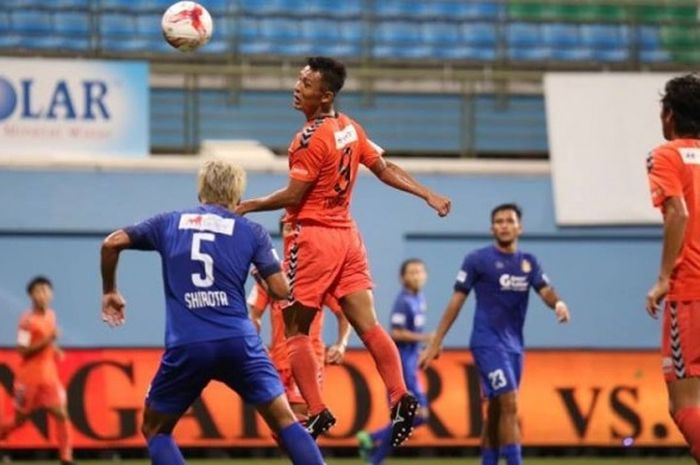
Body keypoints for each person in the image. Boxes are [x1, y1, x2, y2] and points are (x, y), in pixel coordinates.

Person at [235, 56, 451, 446]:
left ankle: (317, 410)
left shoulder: (306, 139)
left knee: (296, 329)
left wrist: (248, 205)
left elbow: (294, 195)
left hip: (313, 236)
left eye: (305, 83)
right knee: (368, 325)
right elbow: (383, 168)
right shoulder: (350, 128)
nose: (297, 87)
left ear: (325, 95)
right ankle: (400, 396)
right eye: (298, 79)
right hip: (349, 236)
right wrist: (426, 193)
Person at [99, 160, 325, 465]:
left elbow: (111, 243)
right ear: (237, 195)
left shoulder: (169, 222)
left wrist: (110, 290)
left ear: (201, 190)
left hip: (189, 344)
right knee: (285, 421)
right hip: (238, 342)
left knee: (156, 429)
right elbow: (281, 291)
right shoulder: (252, 231)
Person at [419, 204, 571, 465]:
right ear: (492, 228)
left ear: (519, 227)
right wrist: (437, 340)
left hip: (514, 347)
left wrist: (558, 304)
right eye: (499, 221)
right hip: (487, 343)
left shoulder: (529, 263)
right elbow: (457, 301)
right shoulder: (478, 260)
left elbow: (545, 290)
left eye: (509, 221)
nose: (504, 225)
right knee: (510, 403)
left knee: (498, 410)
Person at [248, 217, 352, 422]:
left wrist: (342, 344)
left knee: (302, 418)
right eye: (289, 228)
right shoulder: (271, 274)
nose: (294, 232)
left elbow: (344, 312)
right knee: (281, 426)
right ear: (283, 233)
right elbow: (254, 315)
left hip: (307, 358)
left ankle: (308, 452)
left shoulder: (318, 272)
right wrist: (254, 344)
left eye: (298, 228)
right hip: (277, 361)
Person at [645, 74, 700, 464]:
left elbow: (677, 212)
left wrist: (664, 278)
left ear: (668, 115)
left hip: (690, 290)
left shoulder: (666, 155)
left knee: (683, 403)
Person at [357, 259, 432, 465]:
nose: (417, 276)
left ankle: (372, 444)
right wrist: (425, 338)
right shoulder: (403, 301)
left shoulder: (420, 299)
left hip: (412, 364)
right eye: (412, 272)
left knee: (417, 416)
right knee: (416, 415)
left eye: (420, 271)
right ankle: (373, 452)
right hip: (403, 366)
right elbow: (396, 332)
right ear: (403, 277)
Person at [0, 276, 73, 465]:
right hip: (28, 379)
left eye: (46, 290)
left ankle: (66, 458)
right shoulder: (26, 321)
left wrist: (54, 349)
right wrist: (49, 339)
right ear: (31, 296)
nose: (43, 294)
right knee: (18, 420)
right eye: (38, 291)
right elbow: (22, 350)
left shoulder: (51, 316)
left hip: (49, 378)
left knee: (61, 414)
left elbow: (46, 341)